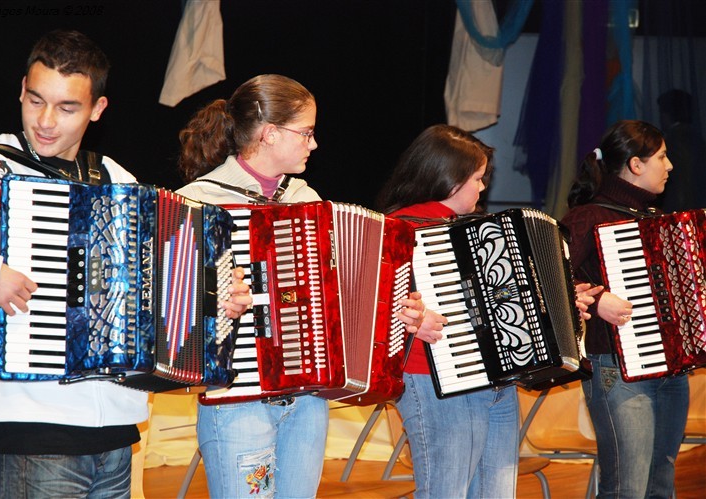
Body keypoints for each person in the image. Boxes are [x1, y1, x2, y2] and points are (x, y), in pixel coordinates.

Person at [0, 29, 250, 498]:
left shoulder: (115, 180)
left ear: (97, 109)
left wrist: (215, 299)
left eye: (68, 107)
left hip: (116, 428)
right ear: (21, 91)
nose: (46, 121)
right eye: (36, 101)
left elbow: (157, 286)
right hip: (31, 425)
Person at [175, 74, 426, 498]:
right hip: (239, 401)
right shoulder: (198, 201)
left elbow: (342, 297)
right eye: (306, 133)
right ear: (270, 133)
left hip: (308, 400)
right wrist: (214, 301)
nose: (314, 144)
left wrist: (396, 309)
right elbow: (173, 317)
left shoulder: (307, 200)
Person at [376, 124, 602, 498]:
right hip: (433, 382)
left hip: (498, 383)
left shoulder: (480, 229)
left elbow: (513, 303)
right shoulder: (396, 230)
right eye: (478, 179)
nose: (483, 188)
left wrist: (563, 301)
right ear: (449, 179)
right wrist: (408, 315)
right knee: (446, 492)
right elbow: (369, 309)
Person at [561, 119, 689, 499]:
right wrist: (598, 300)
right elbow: (545, 279)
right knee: (626, 489)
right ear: (635, 164)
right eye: (662, 157)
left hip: (670, 370)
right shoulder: (587, 217)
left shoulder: (656, 220)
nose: (669, 166)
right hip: (614, 369)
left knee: (660, 486)